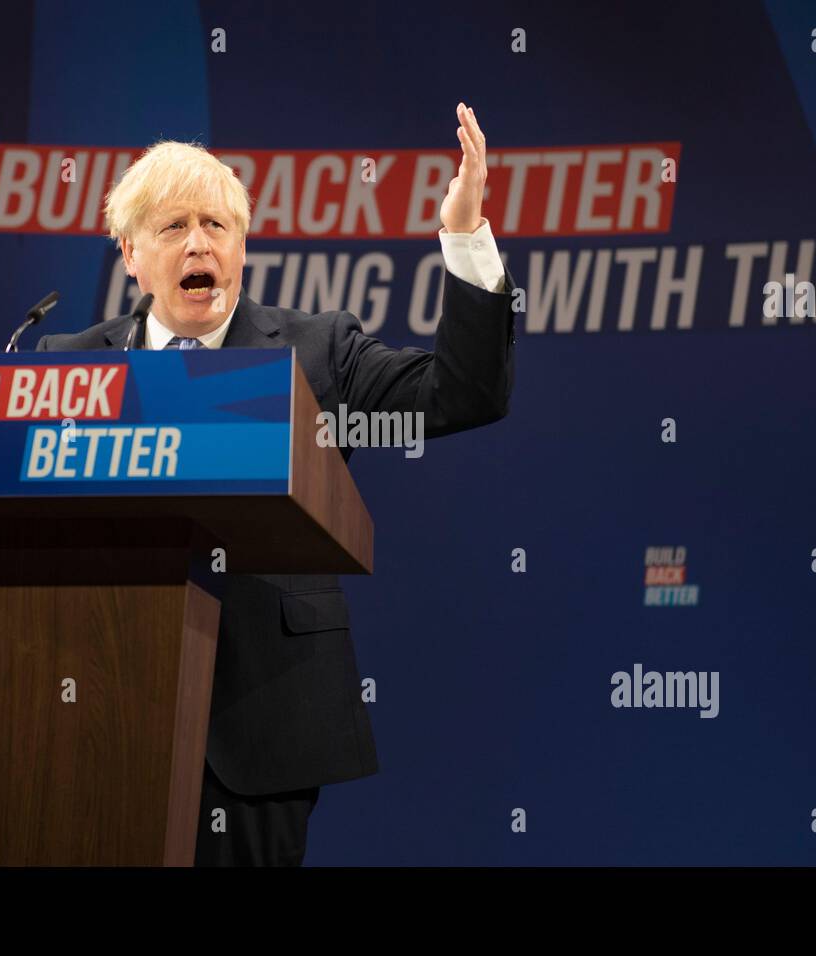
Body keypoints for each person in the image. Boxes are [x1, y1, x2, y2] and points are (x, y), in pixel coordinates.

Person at [37, 102, 515, 865]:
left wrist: (463, 235)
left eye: (217, 226)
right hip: (95, 709)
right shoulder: (68, 364)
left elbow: (463, 394)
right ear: (130, 254)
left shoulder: (317, 351)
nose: (200, 243)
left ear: (242, 245)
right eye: (173, 227)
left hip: (258, 715)